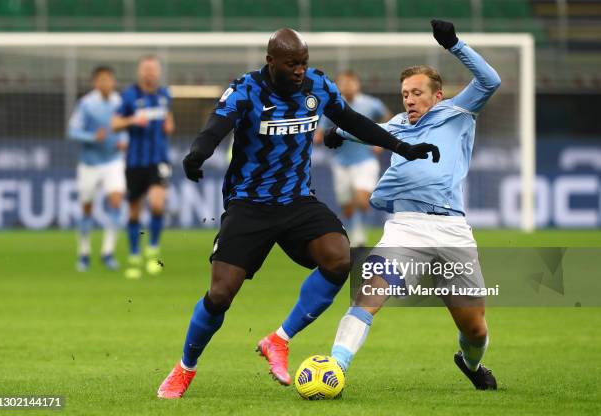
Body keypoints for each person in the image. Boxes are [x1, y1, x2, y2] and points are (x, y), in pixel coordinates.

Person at [156, 28, 440, 399]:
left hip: (297, 201)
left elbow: (353, 120)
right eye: (292, 64)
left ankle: (279, 339)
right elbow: (217, 126)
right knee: (221, 294)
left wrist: (401, 146)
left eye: (303, 63)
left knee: (339, 259)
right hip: (250, 204)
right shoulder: (246, 89)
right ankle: (184, 369)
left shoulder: (317, 85)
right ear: (271, 61)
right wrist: (198, 154)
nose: (299, 71)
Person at [327, 20, 501, 391]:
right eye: (405, 93)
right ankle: (335, 366)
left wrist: (454, 45)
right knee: (369, 292)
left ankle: (471, 363)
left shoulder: (458, 113)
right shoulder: (397, 126)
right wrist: (336, 133)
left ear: (437, 96)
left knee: (474, 328)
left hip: (452, 230)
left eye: (417, 92)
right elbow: (364, 127)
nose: (409, 99)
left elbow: (490, 81)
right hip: (405, 228)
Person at [112, 55, 175, 279]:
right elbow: (114, 123)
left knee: (157, 204)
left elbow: (169, 121)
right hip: (135, 162)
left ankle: (153, 250)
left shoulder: (164, 95)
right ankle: (134, 255)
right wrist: (132, 121)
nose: (150, 73)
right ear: (140, 72)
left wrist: (169, 124)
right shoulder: (129, 96)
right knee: (134, 209)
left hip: (159, 160)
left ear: (158, 72)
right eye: (146, 69)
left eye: (153, 69)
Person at [313, 70, 391, 247]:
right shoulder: (332, 107)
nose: (347, 86)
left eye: (351, 82)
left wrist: (380, 141)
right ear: (338, 86)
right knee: (347, 208)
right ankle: (352, 232)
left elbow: (387, 118)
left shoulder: (372, 104)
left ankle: (359, 238)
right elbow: (321, 130)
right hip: (340, 163)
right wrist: (318, 137)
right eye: (343, 83)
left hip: (365, 160)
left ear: (357, 84)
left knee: (362, 201)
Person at [67, 66, 127, 272]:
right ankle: (83, 252)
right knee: (86, 207)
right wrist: (93, 137)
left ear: (113, 81)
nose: (106, 83)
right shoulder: (86, 104)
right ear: (95, 82)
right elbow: (72, 131)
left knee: (117, 201)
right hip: (89, 163)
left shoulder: (120, 102)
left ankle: (107, 252)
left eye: (109, 79)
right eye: (101, 80)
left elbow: (125, 127)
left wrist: (124, 140)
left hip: (113, 161)